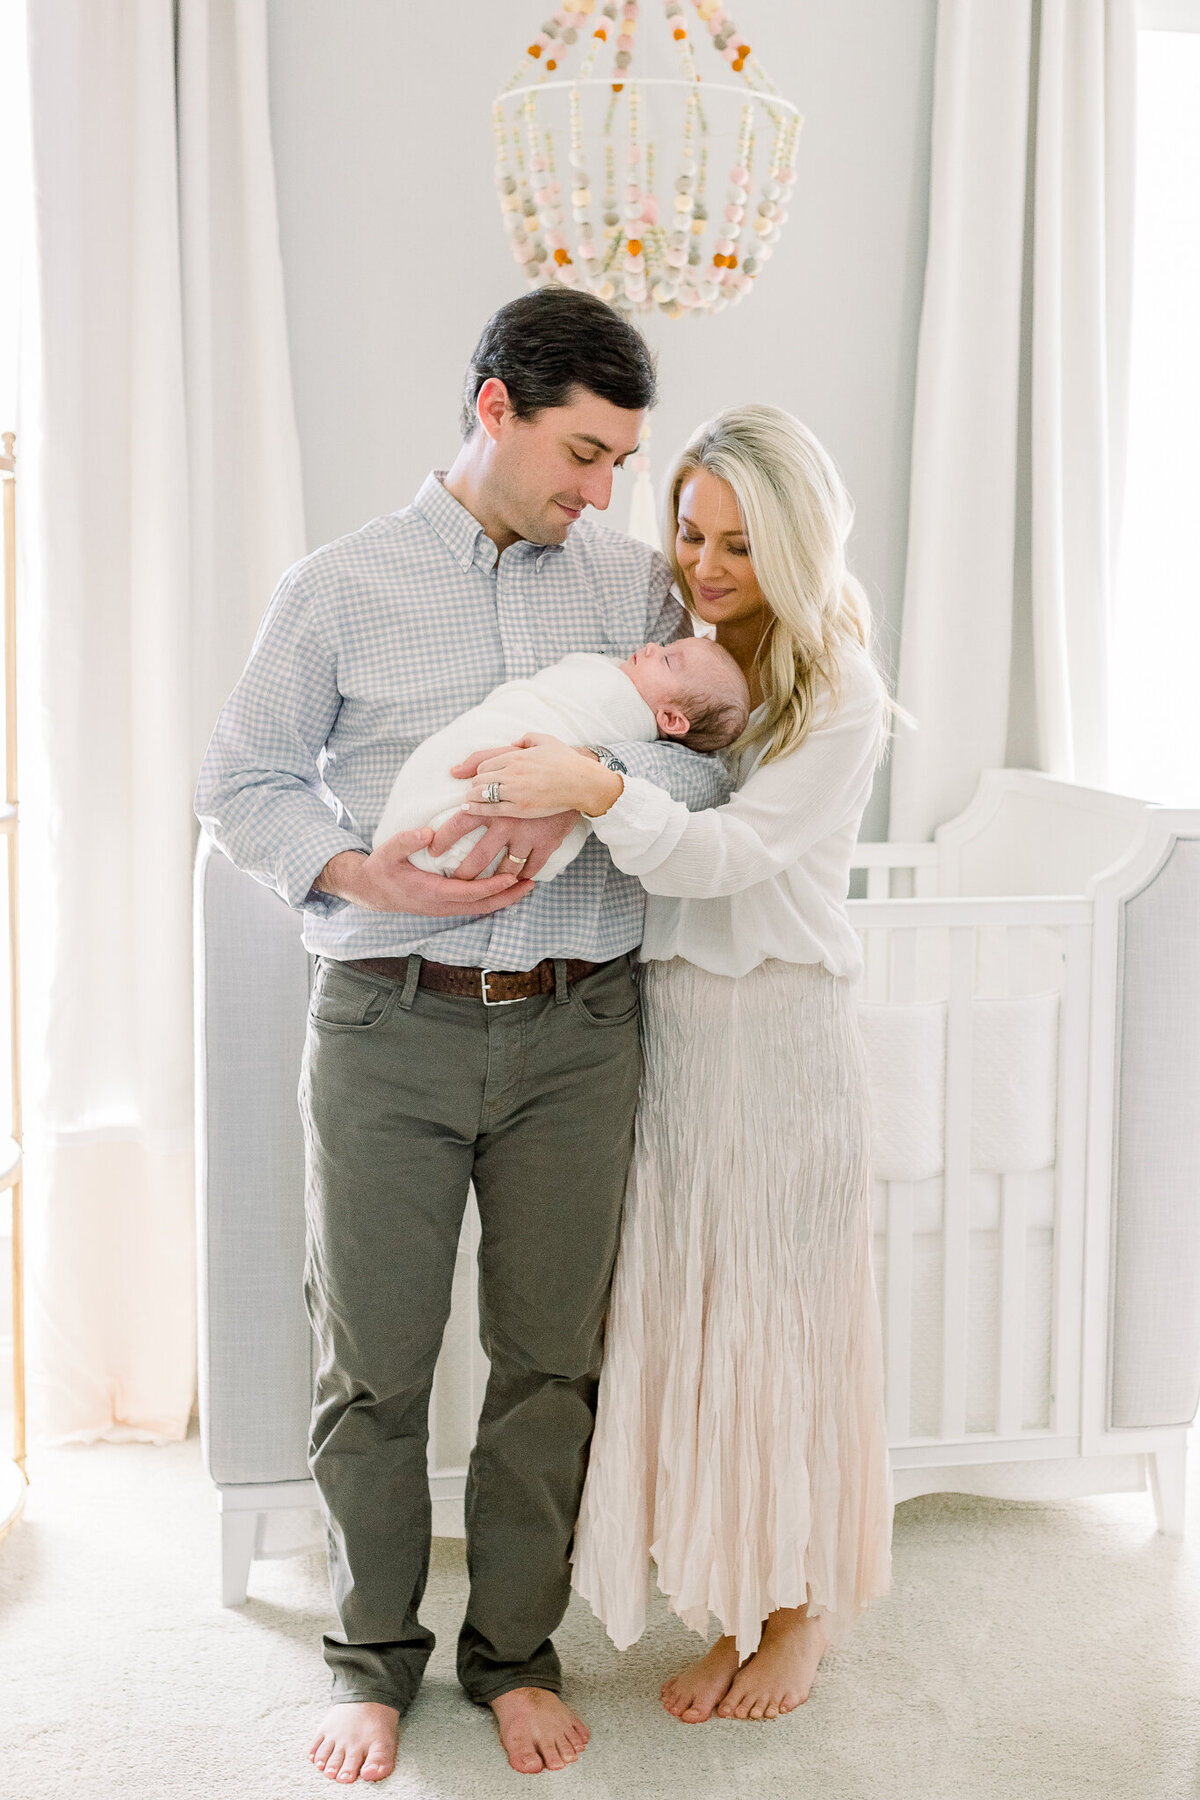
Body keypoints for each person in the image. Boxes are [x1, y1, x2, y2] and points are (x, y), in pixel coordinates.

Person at [193, 288, 730, 1784]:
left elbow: (706, 787)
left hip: (580, 1029)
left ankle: (513, 1655)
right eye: (584, 452)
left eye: (623, 459)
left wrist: (601, 789)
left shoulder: (633, 595)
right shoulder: (338, 586)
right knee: (373, 1363)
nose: (607, 491)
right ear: (493, 406)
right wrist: (364, 872)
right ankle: (369, 1661)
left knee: (550, 1362)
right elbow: (239, 783)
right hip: (387, 1023)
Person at [451, 402, 895, 1726]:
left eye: (738, 545)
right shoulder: (691, 663)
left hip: (781, 1037)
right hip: (679, 1034)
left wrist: (591, 788)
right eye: (691, 532)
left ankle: (803, 1613)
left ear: (798, 546)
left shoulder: (838, 689)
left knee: (783, 1331)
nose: (702, 564)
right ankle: (731, 1601)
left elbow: (728, 857)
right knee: (698, 1324)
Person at [374, 637, 749, 880]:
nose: (652, 646)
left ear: (671, 720)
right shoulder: (609, 673)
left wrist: (581, 780)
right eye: (664, 645)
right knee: (464, 760)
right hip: (393, 961)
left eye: (668, 660)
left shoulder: (621, 707)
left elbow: (713, 778)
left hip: (587, 987)